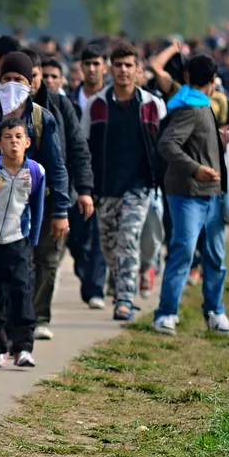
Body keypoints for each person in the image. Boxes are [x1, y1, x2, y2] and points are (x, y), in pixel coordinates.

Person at [0, 52, 69, 376]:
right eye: (6, 80)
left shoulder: (38, 156)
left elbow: (55, 173)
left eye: (20, 80)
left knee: (21, 289)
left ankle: (24, 345)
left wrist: (55, 216)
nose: (12, 86)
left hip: (19, 236)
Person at [153, 54, 229, 337]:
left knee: (215, 255)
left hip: (211, 194)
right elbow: (167, 144)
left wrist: (221, 138)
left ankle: (215, 311)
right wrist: (195, 168)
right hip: (188, 194)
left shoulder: (201, 106)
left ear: (187, 77)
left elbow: (196, 142)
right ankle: (166, 313)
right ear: (213, 80)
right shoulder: (190, 107)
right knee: (184, 251)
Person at [82, 44, 166, 322]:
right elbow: (84, 148)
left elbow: (164, 145)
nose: (123, 71)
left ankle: (125, 299)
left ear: (137, 69)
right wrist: (86, 187)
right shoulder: (97, 105)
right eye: (118, 65)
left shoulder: (152, 105)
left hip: (139, 186)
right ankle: (121, 286)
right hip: (105, 188)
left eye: (129, 65)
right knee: (109, 246)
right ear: (110, 68)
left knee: (128, 240)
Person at [30, 52, 95, 341]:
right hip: (15, 199)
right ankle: (16, 317)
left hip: (56, 195)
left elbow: (79, 149)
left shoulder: (59, 104)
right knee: (20, 260)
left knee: (49, 257)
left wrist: (84, 191)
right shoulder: (1, 110)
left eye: (32, 76)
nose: (26, 83)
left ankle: (39, 316)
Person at [0, 118, 44, 369]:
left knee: (21, 292)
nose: (13, 142)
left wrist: (32, 240)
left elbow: (37, 209)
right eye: (7, 137)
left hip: (18, 241)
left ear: (27, 142)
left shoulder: (35, 172)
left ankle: (24, 347)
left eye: (18, 137)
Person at [70, 44, 110, 308]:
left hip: (105, 177)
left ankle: (95, 287)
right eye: (88, 64)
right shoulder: (68, 100)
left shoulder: (111, 100)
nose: (92, 69)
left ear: (104, 66)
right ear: (81, 68)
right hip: (74, 178)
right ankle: (85, 274)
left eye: (97, 64)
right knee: (76, 237)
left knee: (99, 233)